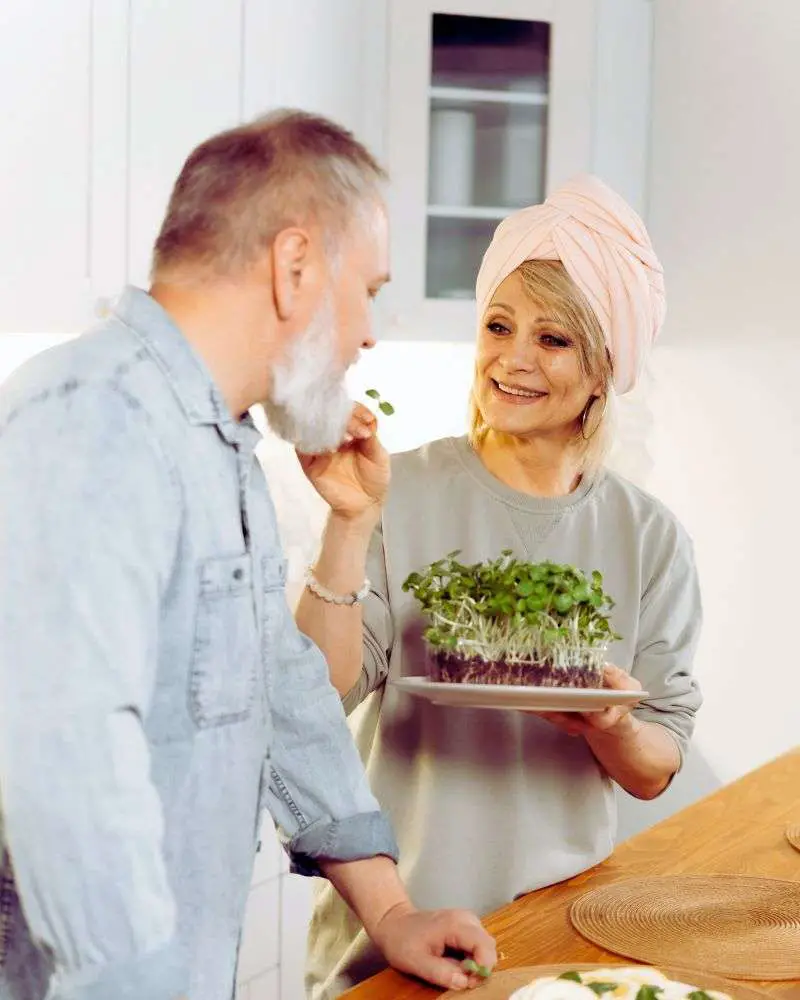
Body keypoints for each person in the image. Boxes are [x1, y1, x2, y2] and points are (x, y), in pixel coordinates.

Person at [0, 109, 496, 1000]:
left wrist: (389, 915)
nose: (370, 334)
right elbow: (63, 752)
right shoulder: (92, 416)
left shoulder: (218, 445)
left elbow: (284, 689)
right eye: (369, 289)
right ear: (295, 265)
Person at [297, 174, 704, 998]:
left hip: (561, 933)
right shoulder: (393, 490)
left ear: (603, 371)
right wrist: (347, 526)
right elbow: (317, 691)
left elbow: (656, 764)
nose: (514, 358)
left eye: (554, 339)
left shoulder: (647, 535)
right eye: (498, 325)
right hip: (392, 938)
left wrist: (611, 726)